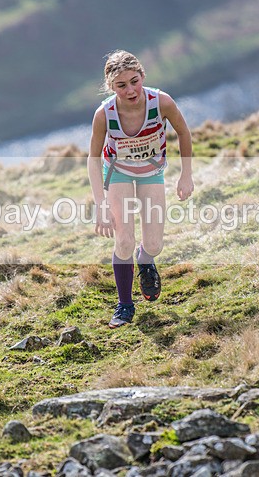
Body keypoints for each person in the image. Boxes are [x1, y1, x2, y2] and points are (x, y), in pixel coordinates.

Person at [87, 50, 194, 328]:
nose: (130, 90)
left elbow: (183, 132)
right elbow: (93, 157)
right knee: (123, 240)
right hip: (118, 172)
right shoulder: (105, 113)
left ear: (143, 76)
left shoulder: (162, 102)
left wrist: (186, 176)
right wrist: (100, 204)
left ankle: (145, 260)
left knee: (155, 244)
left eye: (134, 81)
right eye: (121, 85)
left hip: (151, 173)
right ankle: (124, 305)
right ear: (111, 87)